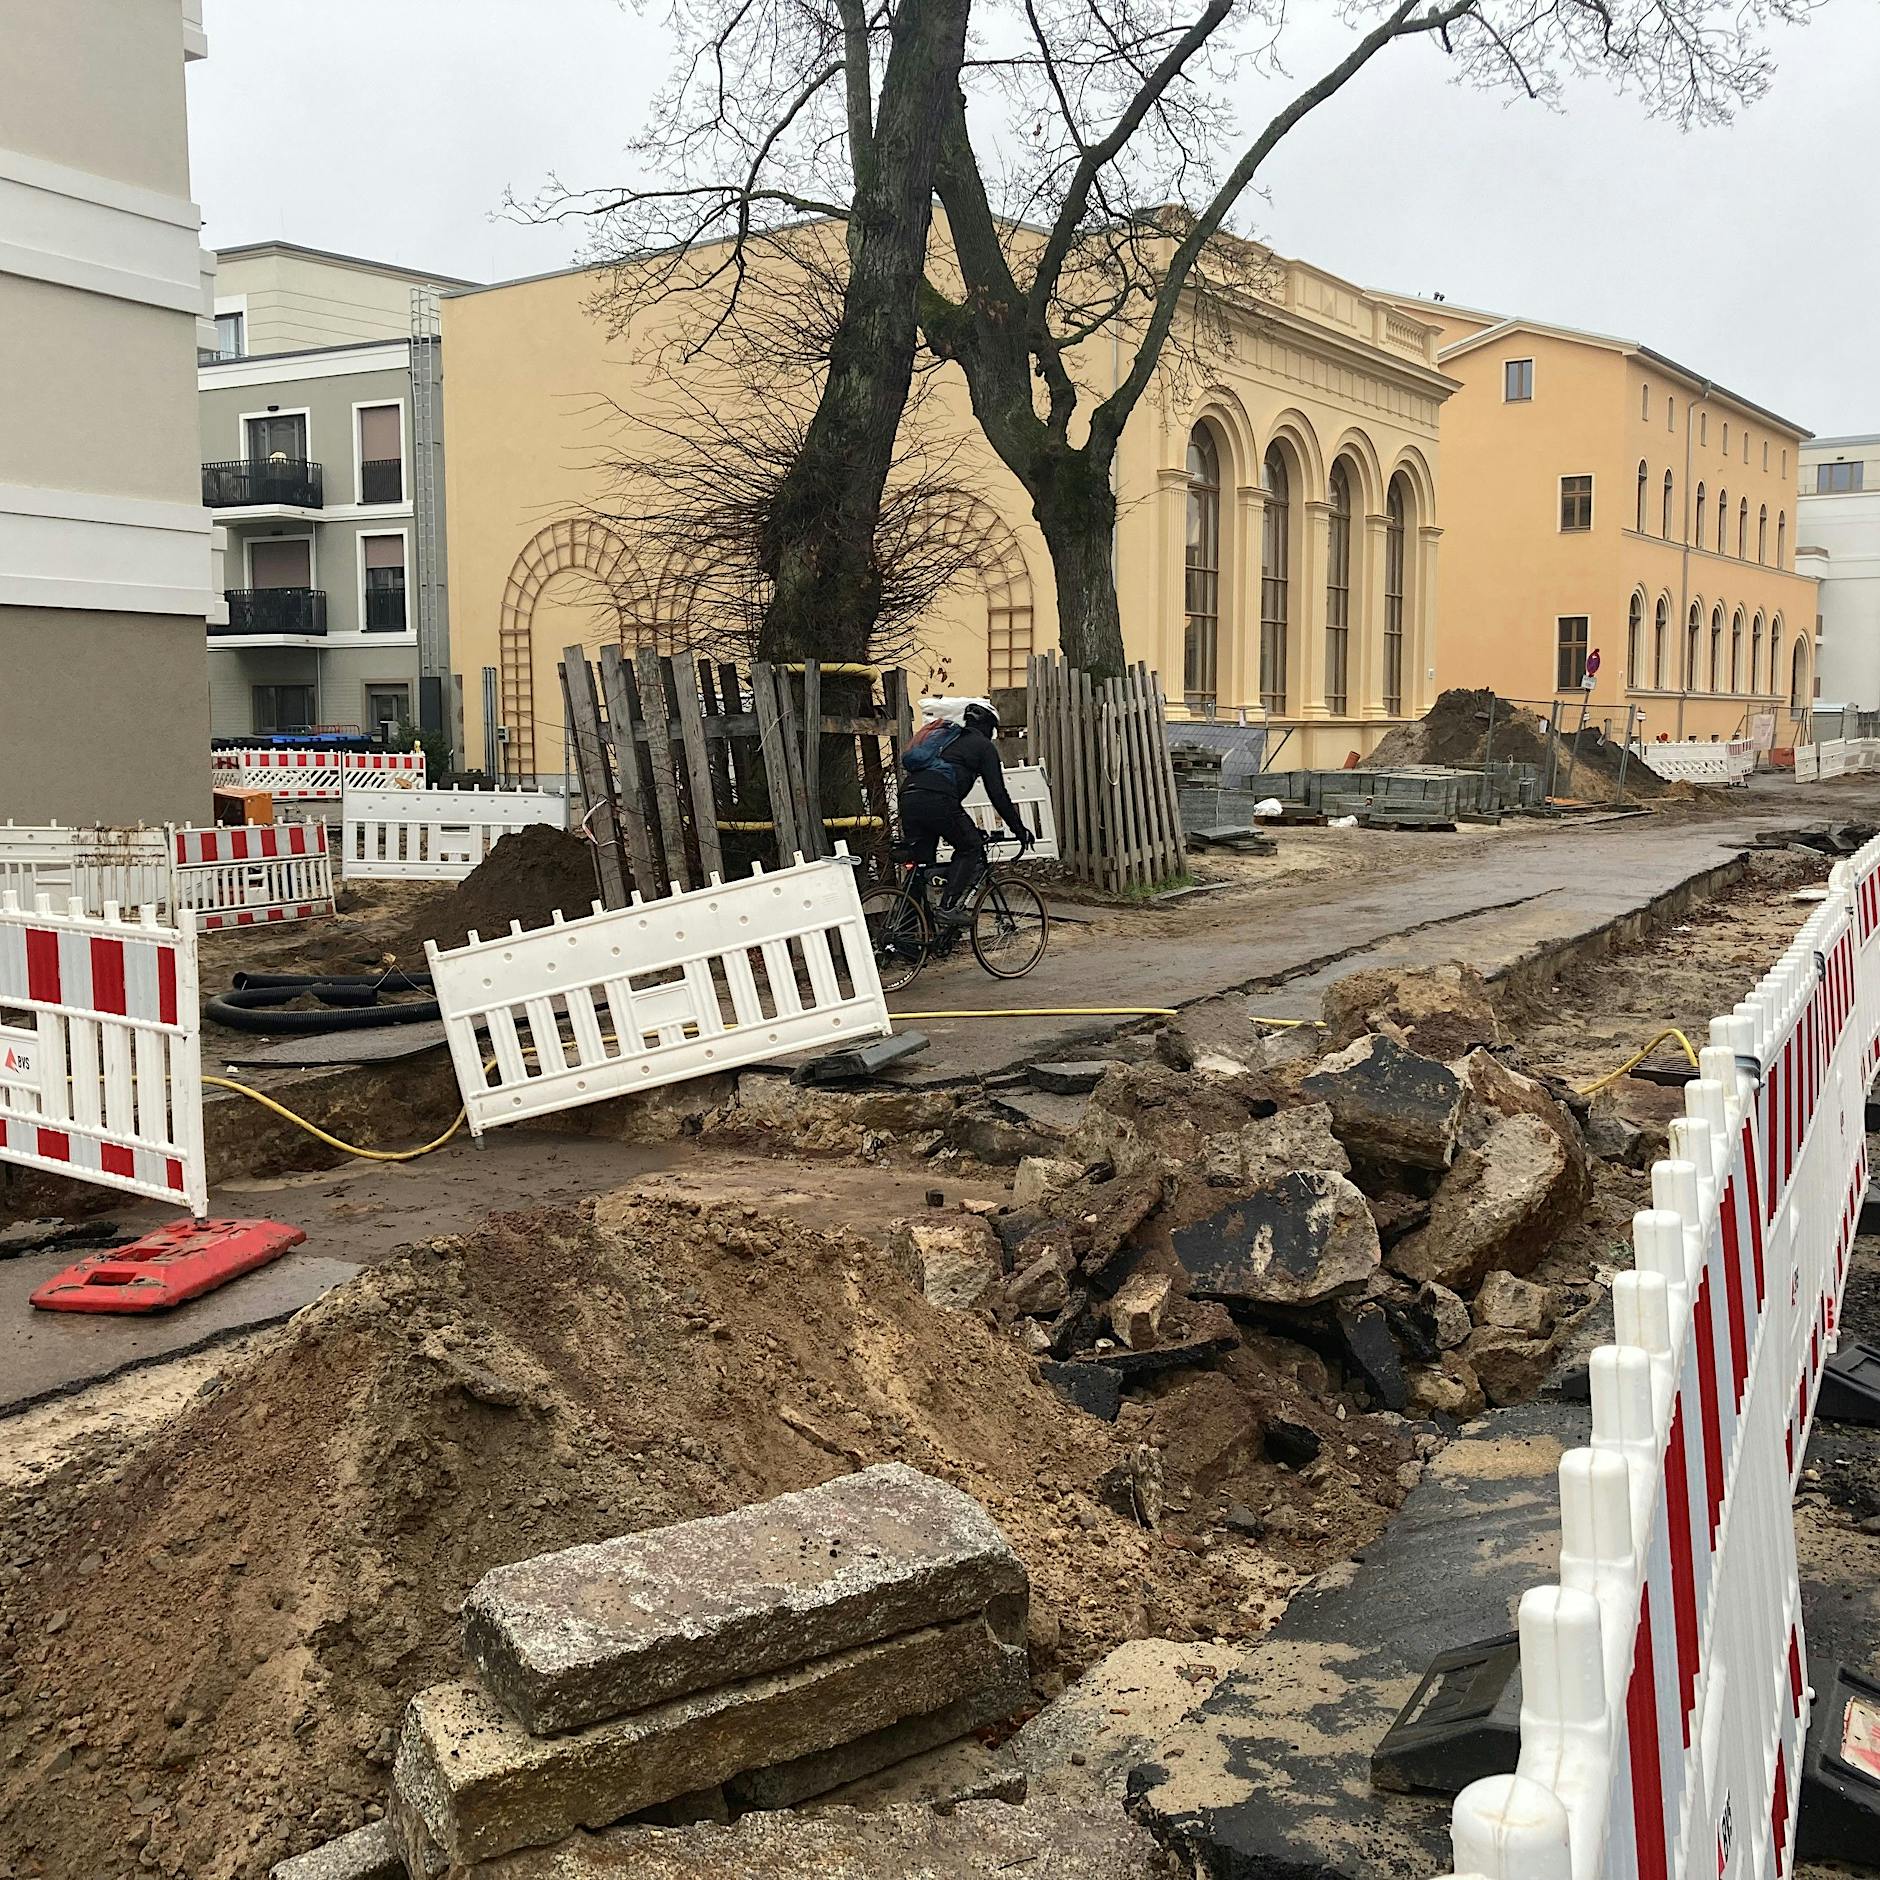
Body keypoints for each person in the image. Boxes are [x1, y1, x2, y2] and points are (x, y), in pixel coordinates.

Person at [901, 701, 1033, 925]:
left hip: (908, 797)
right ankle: (948, 907)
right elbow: (998, 794)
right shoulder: (983, 746)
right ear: (989, 727)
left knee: (921, 867)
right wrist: (1019, 829)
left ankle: (910, 935)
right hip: (938, 798)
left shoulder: (949, 741)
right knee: (971, 846)